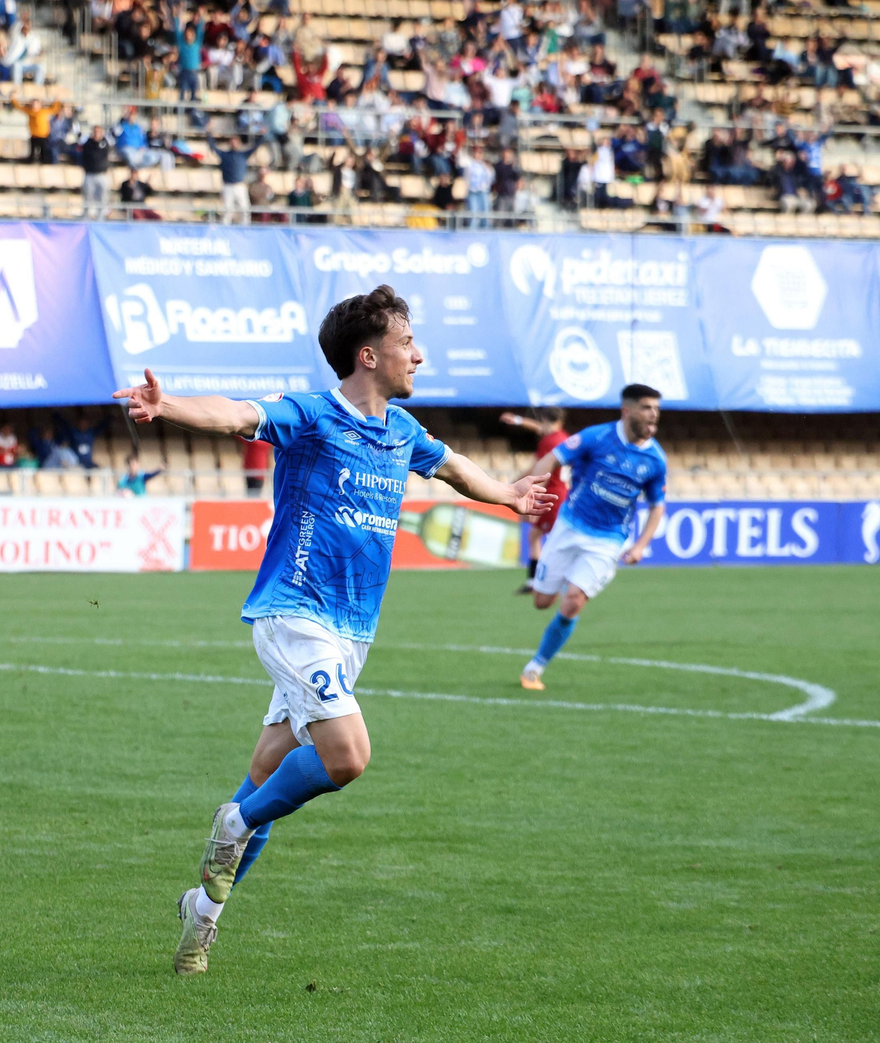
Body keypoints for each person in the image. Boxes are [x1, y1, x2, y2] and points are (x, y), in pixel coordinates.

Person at [110, 287, 555, 975]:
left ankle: (202, 914)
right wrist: (166, 406)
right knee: (346, 756)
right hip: (295, 614)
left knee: (267, 776)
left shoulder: (401, 430)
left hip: (351, 632)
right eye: (408, 343)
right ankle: (233, 825)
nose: (419, 355)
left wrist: (509, 495)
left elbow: (454, 467)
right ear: (369, 355)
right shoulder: (314, 415)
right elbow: (237, 414)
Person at [518, 385, 667, 692]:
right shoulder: (596, 437)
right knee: (542, 602)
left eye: (656, 408)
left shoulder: (655, 459)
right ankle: (563, 580)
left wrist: (640, 545)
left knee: (573, 601)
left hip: (608, 540)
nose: (654, 414)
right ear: (627, 411)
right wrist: (533, 495)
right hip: (569, 526)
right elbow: (550, 460)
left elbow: (657, 507)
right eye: (647, 407)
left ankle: (535, 667)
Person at [499, 407, 570, 595]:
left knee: (554, 540)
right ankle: (535, 581)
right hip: (562, 493)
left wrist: (523, 489)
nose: (540, 426)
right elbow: (538, 427)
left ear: (546, 420)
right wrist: (518, 420)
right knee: (536, 536)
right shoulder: (563, 437)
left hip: (551, 495)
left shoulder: (549, 441)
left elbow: (538, 470)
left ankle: (556, 581)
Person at [207, 133, 262, 225]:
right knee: (227, 210)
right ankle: (225, 227)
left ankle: (245, 226)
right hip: (228, 186)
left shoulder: (243, 155)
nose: (234, 144)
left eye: (236, 142)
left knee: (245, 208)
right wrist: (208, 134)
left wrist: (262, 136)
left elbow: (255, 147)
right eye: (232, 142)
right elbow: (213, 147)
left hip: (240, 186)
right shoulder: (224, 155)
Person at [80, 124, 114, 217]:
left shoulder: (105, 143)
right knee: (88, 197)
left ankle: (101, 217)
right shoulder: (88, 143)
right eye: (95, 132)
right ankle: (86, 216)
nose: (96, 134)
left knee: (103, 197)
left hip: (101, 174)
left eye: (98, 132)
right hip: (90, 174)